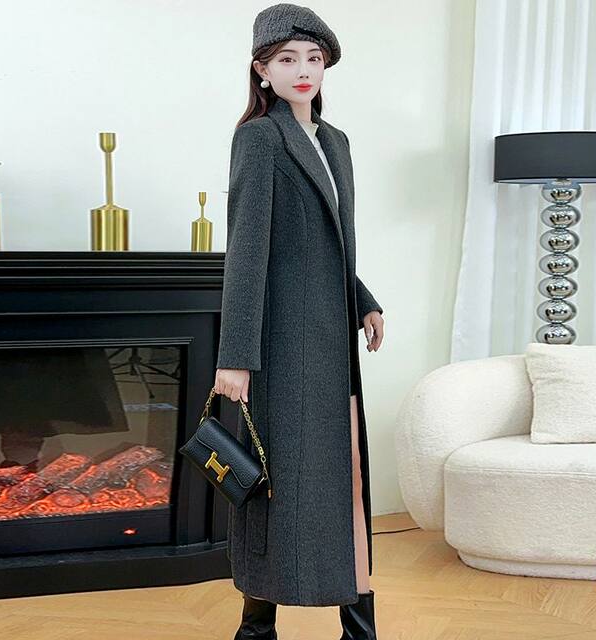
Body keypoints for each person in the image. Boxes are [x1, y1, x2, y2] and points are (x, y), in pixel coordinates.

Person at [214, 4, 384, 638]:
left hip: (333, 345)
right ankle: (256, 628)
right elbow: (248, 250)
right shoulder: (259, 139)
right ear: (262, 70)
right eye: (287, 59)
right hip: (282, 345)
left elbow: (329, 242)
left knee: (347, 479)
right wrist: (236, 357)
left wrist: (362, 299)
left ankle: (358, 626)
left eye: (314, 58)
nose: (303, 69)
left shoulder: (335, 141)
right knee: (277, 485)